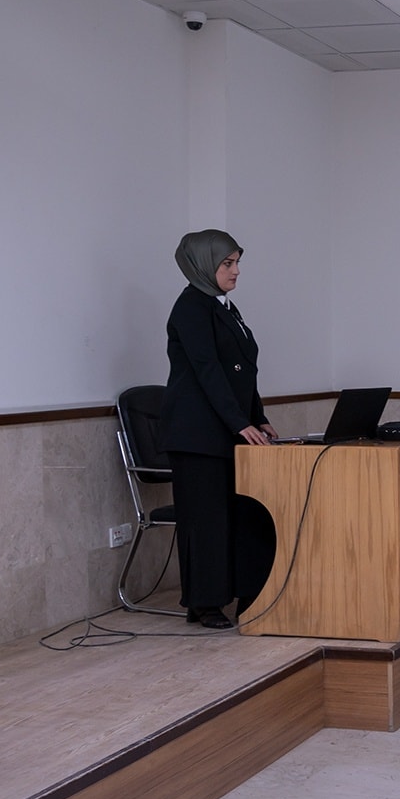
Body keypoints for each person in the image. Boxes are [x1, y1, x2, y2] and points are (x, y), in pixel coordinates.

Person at [162, 230, 277, 628]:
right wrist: (240, 422)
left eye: (237, 263)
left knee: (244, 514)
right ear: (202, 264)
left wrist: (257, 416)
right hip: (197, 435)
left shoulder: (224, 307)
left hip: (226, 430)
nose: (236, 271)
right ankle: (203, 604)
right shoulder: (191, 307)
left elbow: (243, 372)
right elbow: (208, 371)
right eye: (227, 264)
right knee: (206, 521)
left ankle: (248, 593)